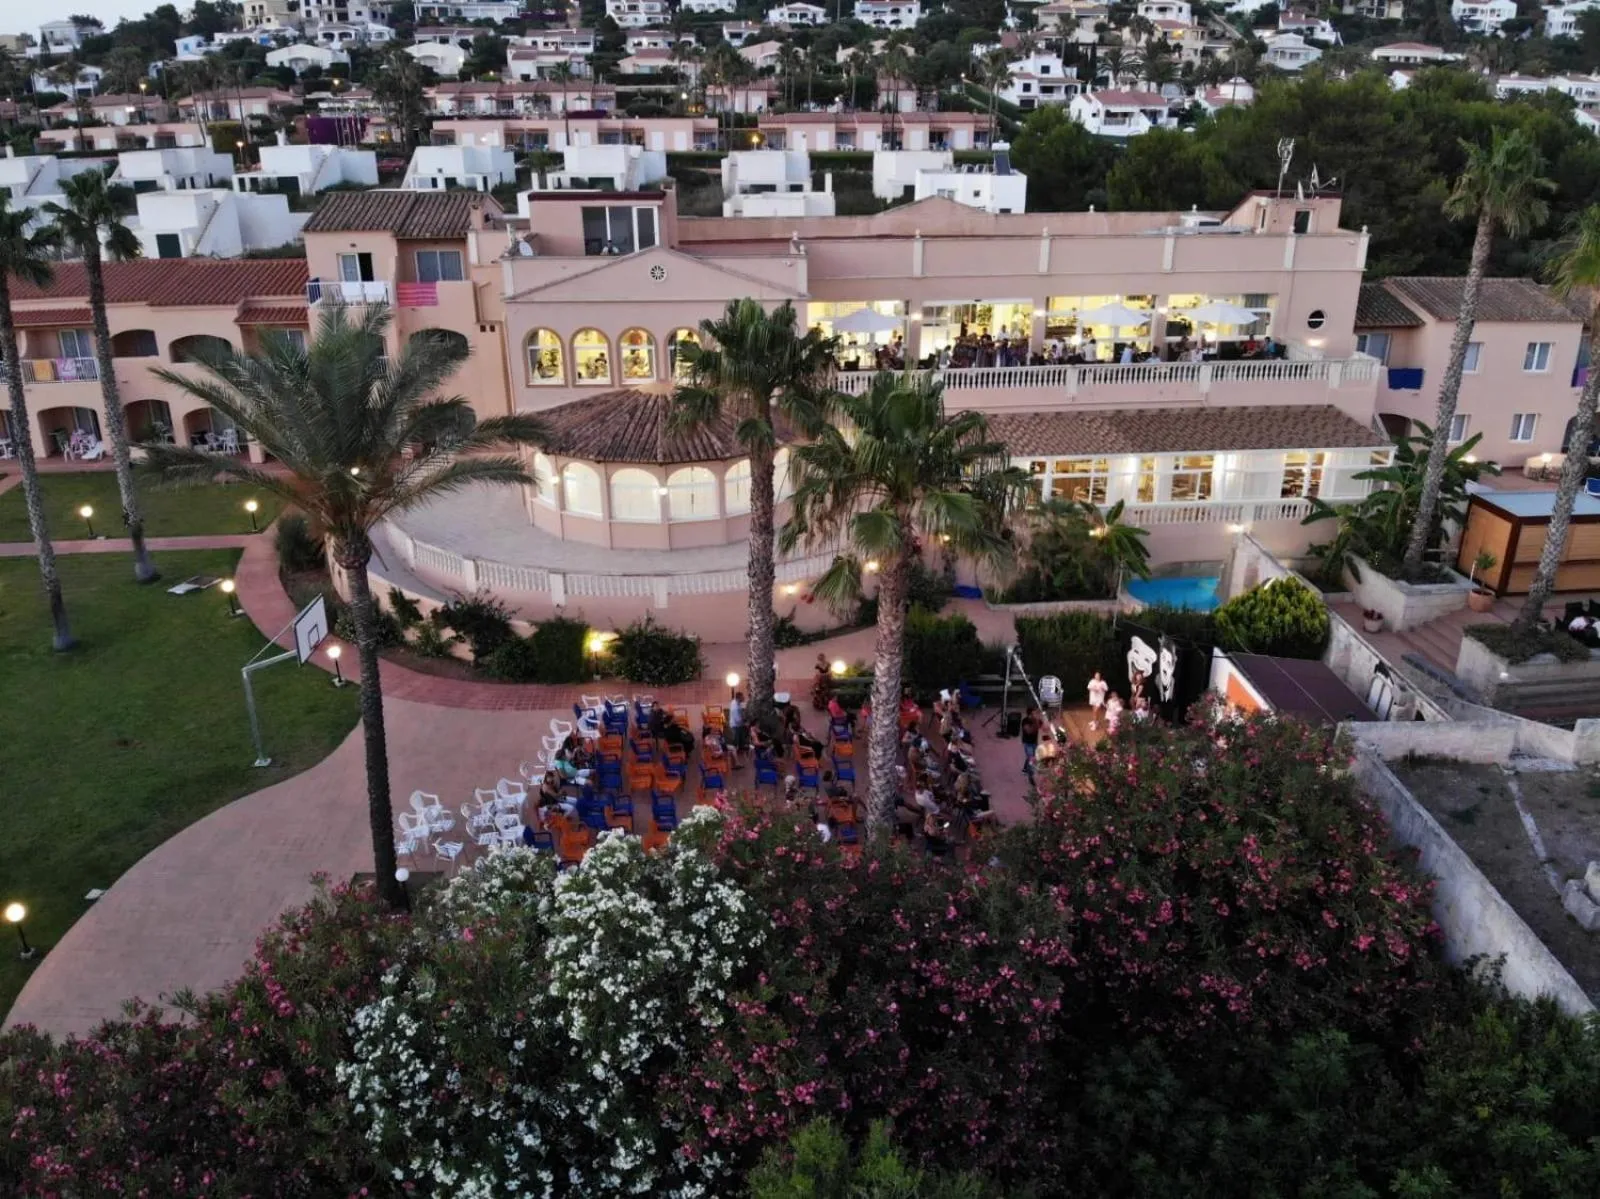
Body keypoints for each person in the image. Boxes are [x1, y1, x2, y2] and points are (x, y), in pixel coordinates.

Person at [1020, 706, 1042, 780]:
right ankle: (1031, 776)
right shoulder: (1025, 721)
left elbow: (1043, 727)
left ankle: (1025, 769)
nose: (1036, 714)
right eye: (1034, 713)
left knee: (1031, 757)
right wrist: (1036, 721)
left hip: (1034, 742)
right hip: (1028, 743)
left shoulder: (1036, 720)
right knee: (1031, 758)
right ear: (1030, 714)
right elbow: (1029, 731)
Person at [727, 690, 746, 766]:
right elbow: (737, 718)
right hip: (735, 726)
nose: (744, 698)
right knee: (735, 743)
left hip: (738, 726)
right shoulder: (734, 705)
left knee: (739, 742)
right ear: (739, 697)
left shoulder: (738, 703)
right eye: (742, 696)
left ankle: (736, 761)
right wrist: (744, 723)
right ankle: (734, 762)